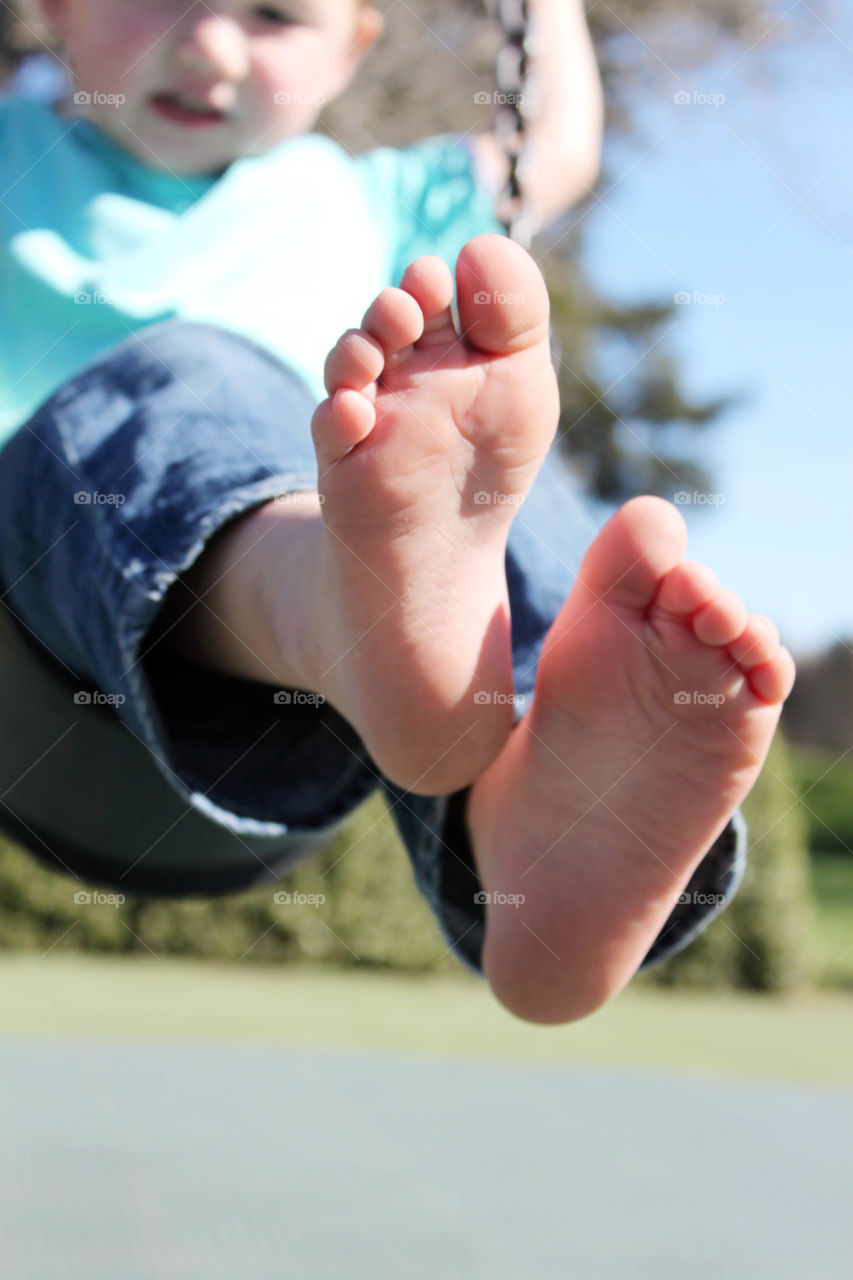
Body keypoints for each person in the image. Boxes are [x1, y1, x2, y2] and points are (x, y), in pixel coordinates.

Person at [0, 0, 794, 1024]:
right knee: (183, 379)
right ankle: (348, 612)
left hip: (328, 716)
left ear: (352, 48)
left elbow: (549, 142)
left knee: (484, 444)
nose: (207, 43)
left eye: (275, 15)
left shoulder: (368, 202)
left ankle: (523, 812)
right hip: (44, 636)